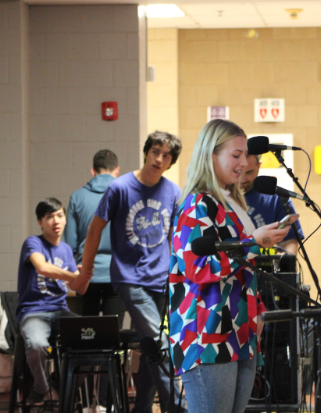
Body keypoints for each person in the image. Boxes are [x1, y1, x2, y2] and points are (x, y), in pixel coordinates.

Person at [169, 119, 291, 413]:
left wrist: (258, 309)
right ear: (211, 155)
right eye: (235, 155)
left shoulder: (231, 204)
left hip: (240, 331)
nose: (244, 163)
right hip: (208, 334)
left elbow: (241, 271)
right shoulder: (197, 205)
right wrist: (253, 243)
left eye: (246, 155)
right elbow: (198, 269)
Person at [81, 131, 185, 413]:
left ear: (170, 161)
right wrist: (84, 274)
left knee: (151, 347)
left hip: (161, 280)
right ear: (146, 152)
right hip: (130, 279)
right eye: (155, 152)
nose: (159, 159)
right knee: (160, 344)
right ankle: (179, 407)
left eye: (166, 155)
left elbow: (176, 239)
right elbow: (94, 231)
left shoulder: (174, 192)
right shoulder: (120, 187)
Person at [64, 149, 126, 409]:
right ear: (117, 170)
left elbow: (68, 244)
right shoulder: (125, 195)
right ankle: (106, 404)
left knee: (85, 341)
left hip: (85, 276)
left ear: (93, 171)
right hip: (116, 276)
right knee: (112, 343)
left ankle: (83, 403)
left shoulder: (77, 197)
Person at [16, 198, 92, 405]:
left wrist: (84, 277)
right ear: (40, 221)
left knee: (93, 340)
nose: (55, 221)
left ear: (66, 219)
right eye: (49, 217)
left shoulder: (67, 250)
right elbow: (42, 267)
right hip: (33, 311)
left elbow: (77, 289)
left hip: (60, 311)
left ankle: (60, 384)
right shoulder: (33, 242)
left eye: (59, 215)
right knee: (37, 344)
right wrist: (73, 275)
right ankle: (41, 388)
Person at [240, 153, 304, 255]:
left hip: (267, 266)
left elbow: (289, 241)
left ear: (258, 167)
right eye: (239, 172)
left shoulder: (276, 198)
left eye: (249, 172)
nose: (243, 179)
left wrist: (285, 263)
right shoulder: (218, 197)